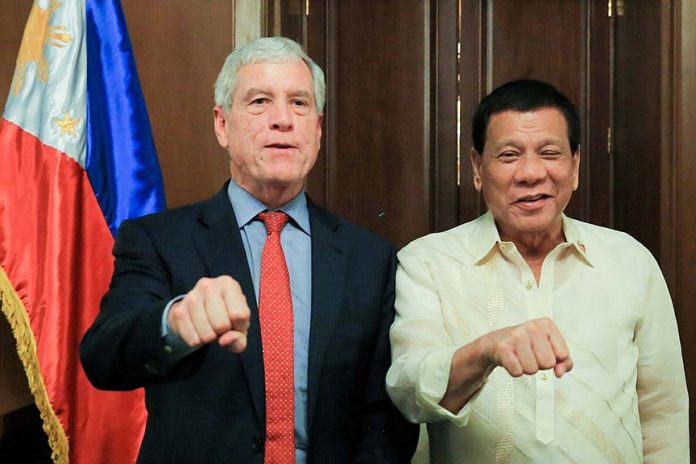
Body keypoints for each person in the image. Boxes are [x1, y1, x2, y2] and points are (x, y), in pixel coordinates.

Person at [80, 36, 418, 464]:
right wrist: (174, 323)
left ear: (317, 128)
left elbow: (386, 418)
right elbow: (102, 357)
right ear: (222, 125)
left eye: (299, 103)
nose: (283, 119)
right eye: (259, 101)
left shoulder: (371, 258)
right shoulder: (158, 240)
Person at [386, 79, 689, 463]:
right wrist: (486, 351)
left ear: (575, 165)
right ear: (478, 167)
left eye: (550, 153)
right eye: (509, 155)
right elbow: (409, 390)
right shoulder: (428, 262)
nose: (531, 173)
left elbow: (663, 413)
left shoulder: (630, 261)